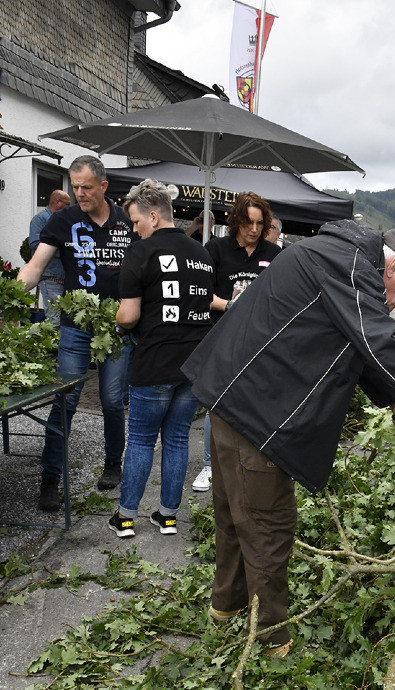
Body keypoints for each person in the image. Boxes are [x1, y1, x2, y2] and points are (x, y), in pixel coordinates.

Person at [182, 220, 395, 657]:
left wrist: (394, 398)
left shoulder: (345, 259)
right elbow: (380, 342)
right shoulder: (347, 266)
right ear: (394, 264)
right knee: (268, 525)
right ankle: (272, 643)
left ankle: (225, 609)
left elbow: (354, 343)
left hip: (236, 397)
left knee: (235, 515)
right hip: (255, 409)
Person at [18, 155, 137, 512]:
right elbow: (35, 267)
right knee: (65, 400)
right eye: (75, 186)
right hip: (74, 328)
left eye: (86, 187)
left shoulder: (125, 221)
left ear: (103, 186)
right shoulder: (63, 219)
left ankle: (113, 462)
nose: (80, 193)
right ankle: (50, 478)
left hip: (117, 328)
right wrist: (10, 293)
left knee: (113, 400)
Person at [108, 179, 215, 538]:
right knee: (177, 438)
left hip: (155, 360)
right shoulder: (201, 253)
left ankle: (125, 518)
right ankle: (168, 516)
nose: (135, 230)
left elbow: (128, 316)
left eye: (137, 222)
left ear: (154, 216)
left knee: (139, 439)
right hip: (193, 364)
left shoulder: (141, 252)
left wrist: (115, 317)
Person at [191, 191, 281, 493]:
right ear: (236, 221)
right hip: (222, 334)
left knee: (252, 401)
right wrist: (228, 305)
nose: (253, 230)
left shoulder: (274, 253)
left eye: (259, 224)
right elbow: (201, 293)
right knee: (216, 403)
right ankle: (209, 465)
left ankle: (248, 461)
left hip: (258, 340)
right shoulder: (216, 248)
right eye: (247, 223)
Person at [28, 189, 71, 328]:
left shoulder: (62, 221)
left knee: (65, 319)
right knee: (55, 321)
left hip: (65, 277)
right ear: (58, 202)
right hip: (50, 277)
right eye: (67, 204)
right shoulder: (40, 219)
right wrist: (61, 249)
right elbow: (35, 245)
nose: (69, 207)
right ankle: (53, 349)